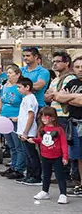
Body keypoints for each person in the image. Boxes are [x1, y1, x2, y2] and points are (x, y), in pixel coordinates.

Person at [49, 55, 82, 196]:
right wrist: (73, 98)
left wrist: (68, 98)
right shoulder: (72, 82)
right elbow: (57, 97)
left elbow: (77, 101)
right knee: (79, 157)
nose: (80, 70)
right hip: (74, 124)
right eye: (78, 67)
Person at [29, 107, 69, 204]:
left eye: (46, 116)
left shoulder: (59, 130)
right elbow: (42, 140)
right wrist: (34, 140)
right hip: (45, 155)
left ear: (53, 118)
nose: (43, 118)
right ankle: (44, 191)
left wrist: (65, 156)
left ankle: (63, 194)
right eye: (42, 116)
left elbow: (64, 143)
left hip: (57, 156)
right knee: (46, 175)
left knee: (60, 176)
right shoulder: (42, 129)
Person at [0, 65, 27, 180]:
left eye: (10, 73)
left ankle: (19, 168)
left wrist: (19, 117)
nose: (8, 75)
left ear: (17, 74)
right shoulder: (5, 86)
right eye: (7, 73)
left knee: (18, 145)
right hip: (4, 118)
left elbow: (24, 103)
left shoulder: (19, 87)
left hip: (15, 118)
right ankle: (13, 166)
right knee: (11, 145)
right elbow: (1, 100)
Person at [17, 77, 41, 185]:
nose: (18, 89)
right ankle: (29, 175)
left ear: (27, 87)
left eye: (20, 87)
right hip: (23, 131)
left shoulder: (31, 98)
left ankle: (36, 176)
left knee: (31, 154)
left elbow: (31, 116)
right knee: (27, 154)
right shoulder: (25, 98)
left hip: (28, 132)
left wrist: (26, 132)